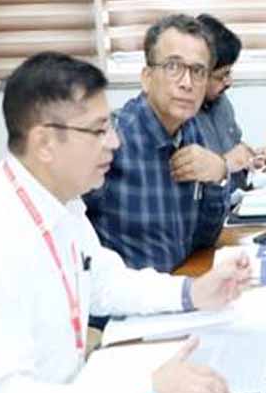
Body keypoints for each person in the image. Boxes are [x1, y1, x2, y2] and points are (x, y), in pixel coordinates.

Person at [0, 52, 251, 393]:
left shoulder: (58, 201)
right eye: (99, 130)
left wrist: (193, 292)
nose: (115, 143)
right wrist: (144, 391)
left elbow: (104, 282)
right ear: (44, 144)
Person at [84, 14, 230, 273]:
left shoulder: (191, 130)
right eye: (173, 67)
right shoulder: (111, 141)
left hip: (178, 285)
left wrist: (219, 174)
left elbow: (203, 240)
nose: (187, 83)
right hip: (128, 295)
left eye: (198, 71)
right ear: (147, 77)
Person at [195, 13, 266, 192]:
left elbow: (234, 147)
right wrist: (225, 164)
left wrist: (252, 159)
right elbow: (186, 189)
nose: (229, 82)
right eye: (221, 76)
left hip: (239, 199)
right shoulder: (179, 118)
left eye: (229, 73)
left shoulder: (221, 102)